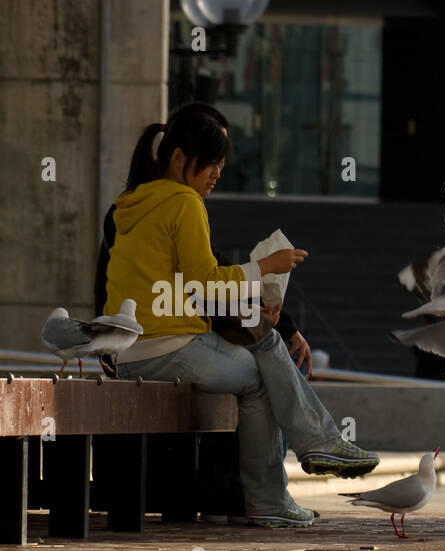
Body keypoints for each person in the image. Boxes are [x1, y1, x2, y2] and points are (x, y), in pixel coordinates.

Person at [102, 103, 378, 527]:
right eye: (210, 164)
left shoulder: (133, 201)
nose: (216, 174)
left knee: (261, 356)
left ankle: (312, 452)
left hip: (128, 348)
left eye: (221, 165)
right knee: (262, 376)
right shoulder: (183, 202)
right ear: (178, 158)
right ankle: (294, 473)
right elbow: (205, 282)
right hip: (165, 345)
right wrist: (266, 268)